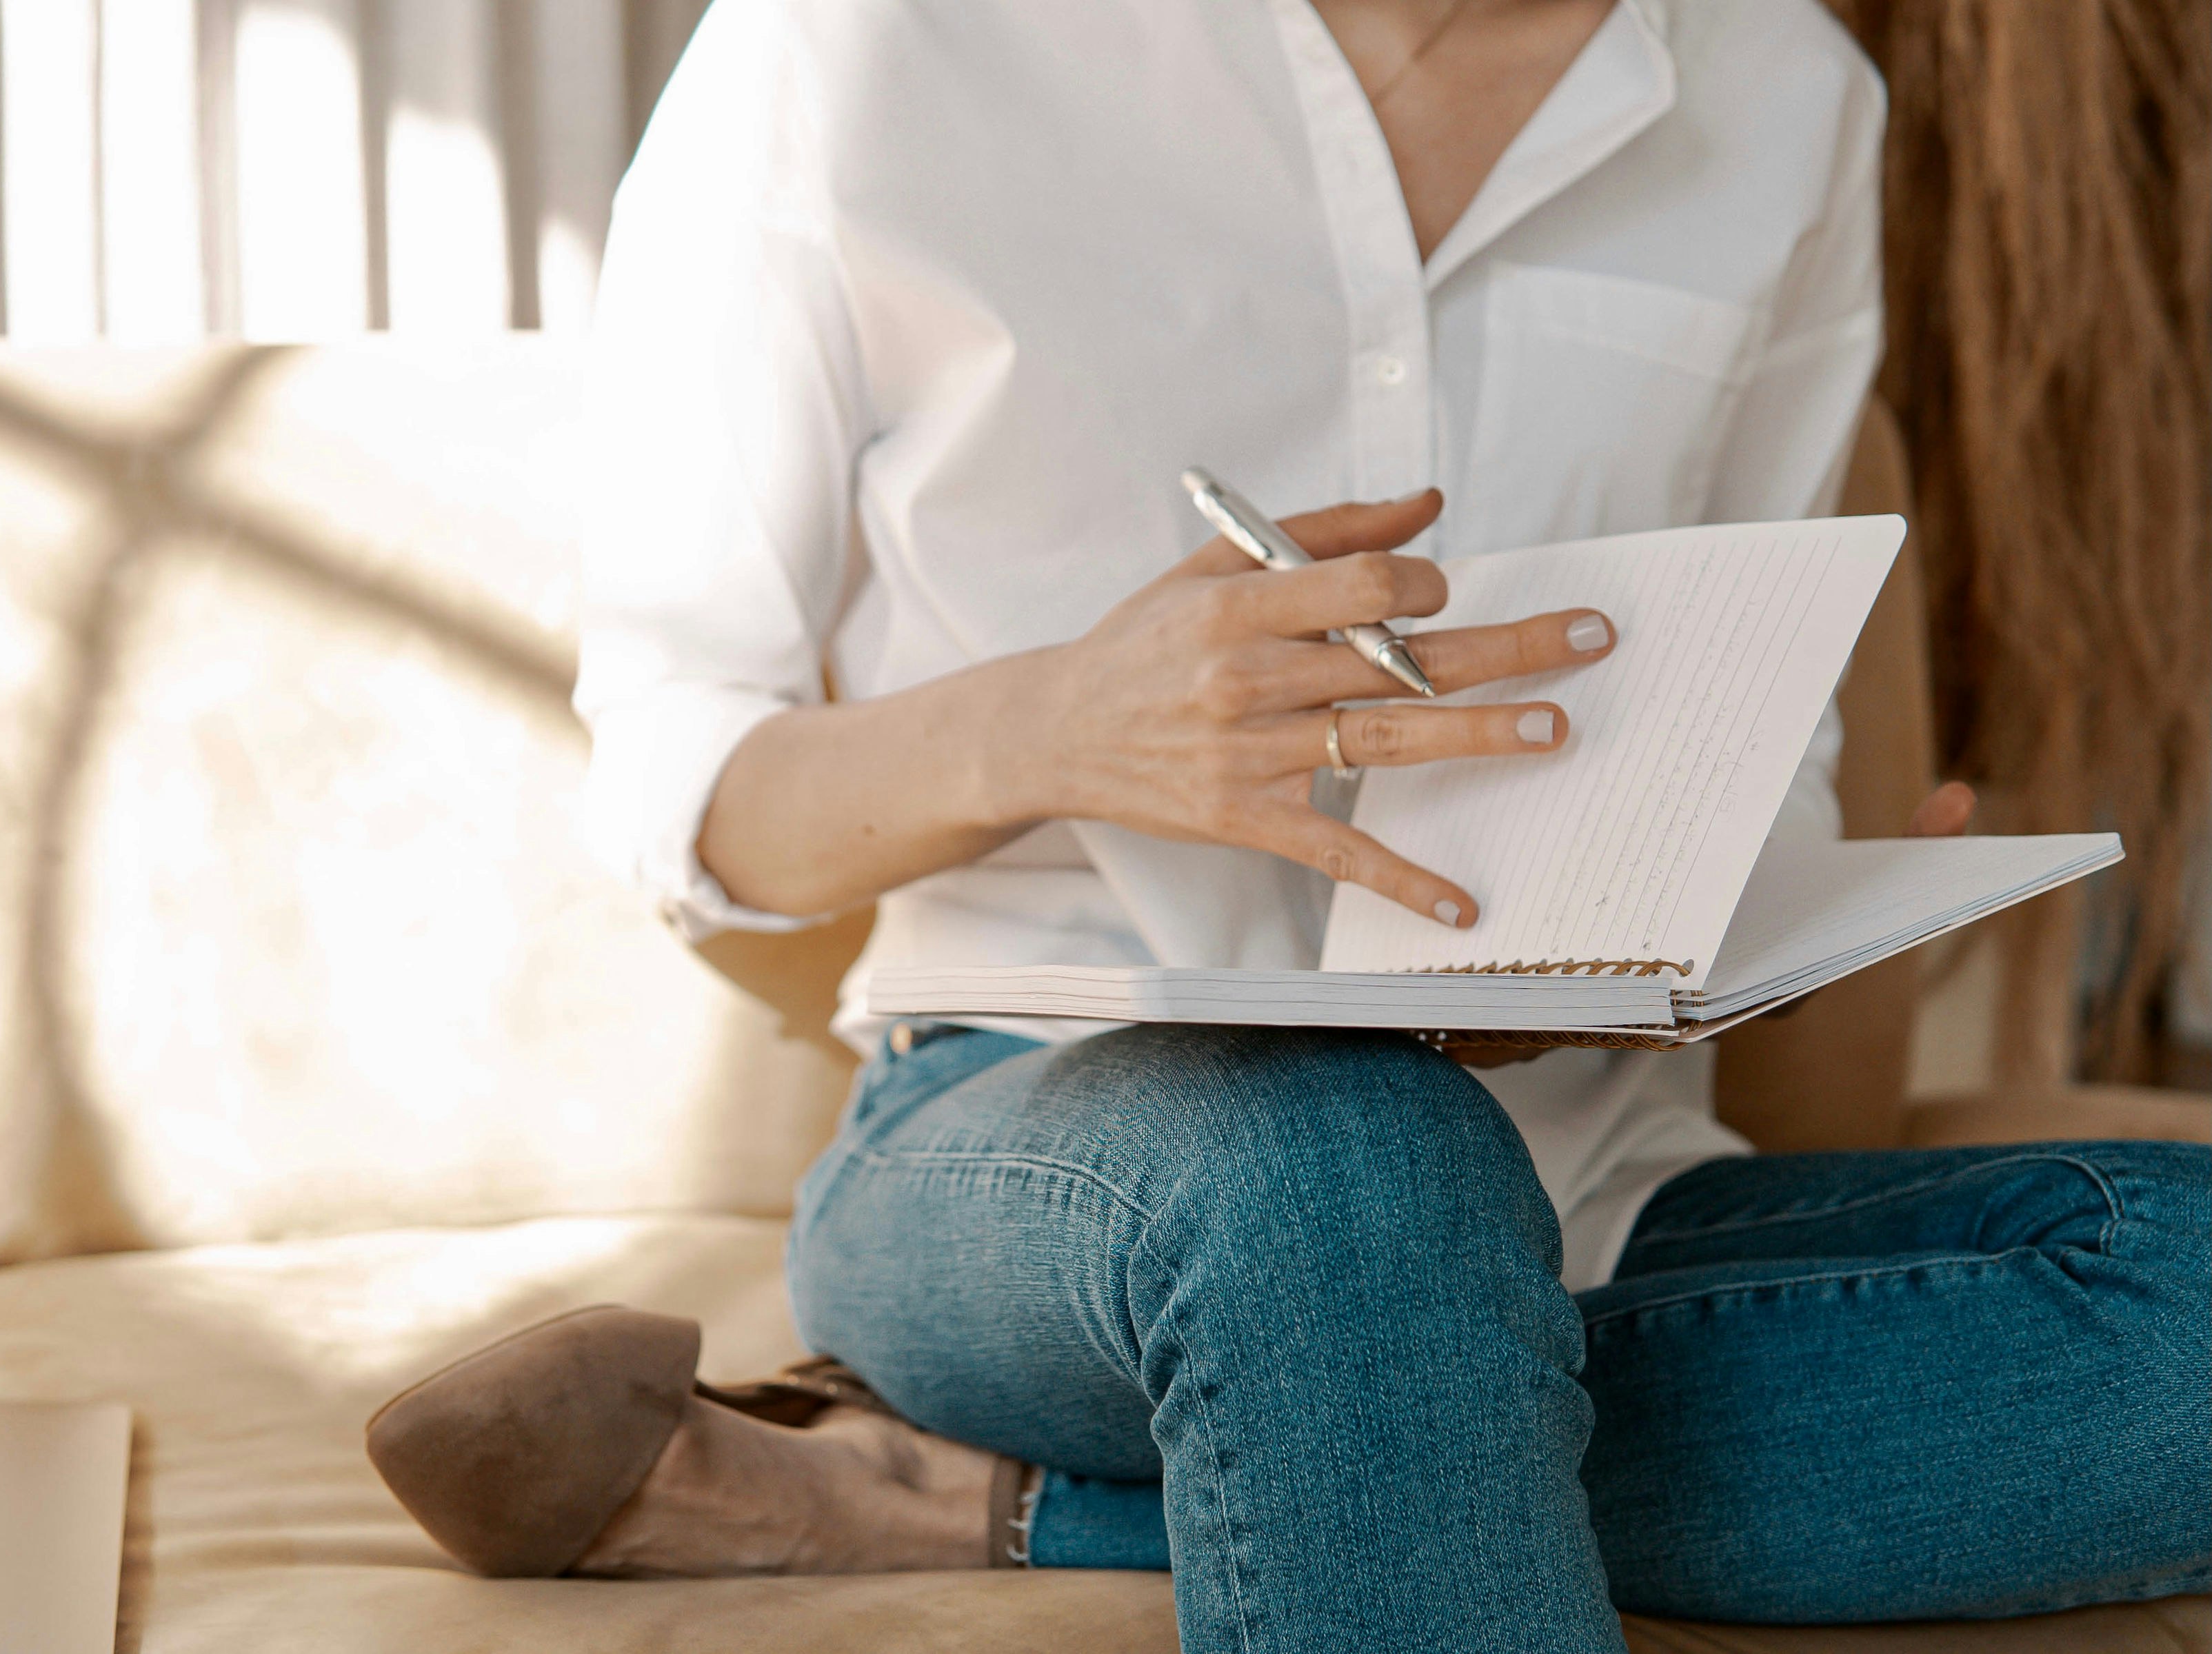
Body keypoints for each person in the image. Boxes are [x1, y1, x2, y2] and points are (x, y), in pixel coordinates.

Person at [364, 1, 2212, 1648]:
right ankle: (1319, 1417)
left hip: (1597, 1177)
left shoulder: (1783, 87)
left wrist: (1764, 899)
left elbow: (1756, 722)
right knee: (1351, 1153)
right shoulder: (860, 49)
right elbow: (690, 799)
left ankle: (970, 1498)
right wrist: (1055, 724)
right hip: (1032, 1127)